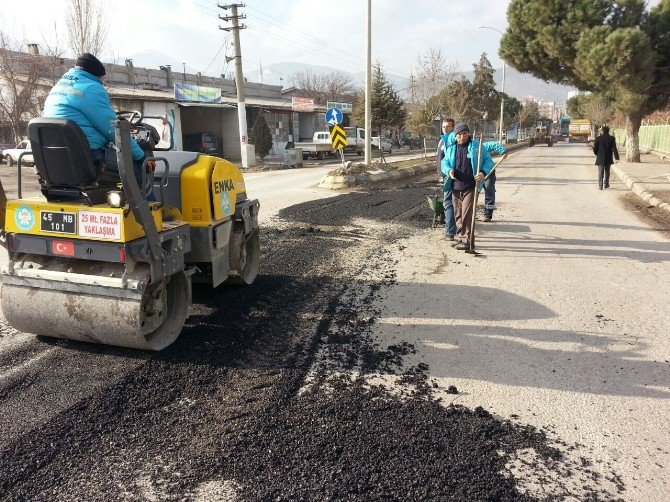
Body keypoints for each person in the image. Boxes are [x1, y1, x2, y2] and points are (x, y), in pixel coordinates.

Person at [43, 53, 153, 195]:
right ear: (97, 75)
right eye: (101, 78)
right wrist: (141, 156)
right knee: (137, 166)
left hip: (56, 157)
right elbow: (113, 129)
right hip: (87, 156)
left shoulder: (58, 87)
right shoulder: (91, 88)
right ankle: (152, 211)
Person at [441, 123, 493, 253]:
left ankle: (467, 240)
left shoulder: (476, 146)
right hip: (456, 186)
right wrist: (449, 171)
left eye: (464, 133)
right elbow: (444, 162)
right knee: (458, 214)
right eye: (459, 134)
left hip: (471, 186)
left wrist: (483, 172)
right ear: (455, 135)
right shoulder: (452, 148)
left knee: (467, 214)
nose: (462, 137)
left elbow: (488, 161)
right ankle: (460, 237)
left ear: (468, 133)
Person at [436, 118, 456, 239]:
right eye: (444, 127)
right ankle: (453, 228)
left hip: (451, 176)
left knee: (448, 202)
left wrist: (448, 173)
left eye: (448, 126)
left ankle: (450, 231)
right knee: (451, 202)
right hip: (445, 175)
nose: (445, 129)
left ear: (453, 127)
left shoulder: (452, 140)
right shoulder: (442, 140)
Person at [481, 141, 507, 222]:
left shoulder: (481, 146)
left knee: (489, 190)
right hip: (475, 174)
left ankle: (488, 215)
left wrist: (503, 151)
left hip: (489, 172)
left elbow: (493, 145)